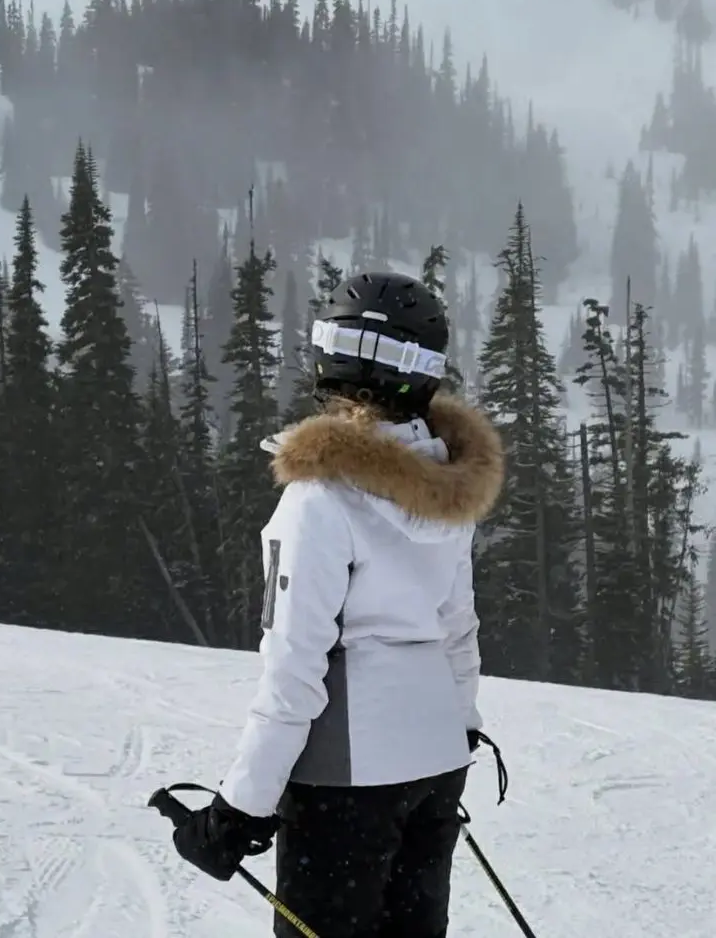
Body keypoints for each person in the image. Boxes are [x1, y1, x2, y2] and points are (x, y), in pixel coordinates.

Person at [173, 271, 504, 937]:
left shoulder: (319, 501)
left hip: (347, 779)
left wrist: (239, 809)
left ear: (335, 356)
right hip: (435, 759)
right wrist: (460, 729)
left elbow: (295, 669)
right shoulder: (447, 485)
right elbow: (456, 631)